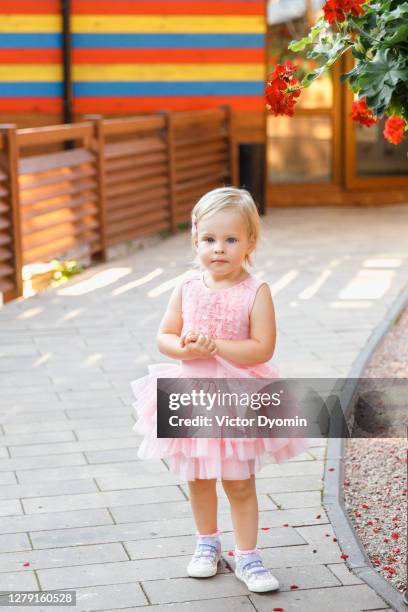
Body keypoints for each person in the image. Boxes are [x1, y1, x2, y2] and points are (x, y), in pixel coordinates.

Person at [130, 186, 310, 593]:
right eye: (210, 239)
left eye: (231, 240)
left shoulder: (255, 291)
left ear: (250, 242)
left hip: (237, 400)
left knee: (239, 481)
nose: (219, 249)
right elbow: (165, 335)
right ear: (196, 239)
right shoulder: (187, 287)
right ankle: (206, 543)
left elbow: (262, 348)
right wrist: (184, 347)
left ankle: (248, 556)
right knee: (198, 476)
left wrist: (218, 346)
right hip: (192, 395)